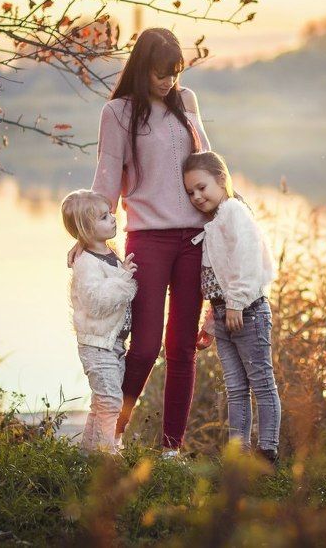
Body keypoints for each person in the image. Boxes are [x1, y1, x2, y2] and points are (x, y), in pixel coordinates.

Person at [69, 28, 212, 457]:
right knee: (146, 345)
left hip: (195, 238)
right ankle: (112, 438)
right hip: (147, 239)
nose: (169, 81)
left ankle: (171, 451)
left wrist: (228, 214)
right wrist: (86, 234)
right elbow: (107, 175)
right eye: (160, 73)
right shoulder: (117, 112)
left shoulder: (185, 103)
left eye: (175, 72)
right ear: (141, 68)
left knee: (181, 348)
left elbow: (206, 161)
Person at [182, 151, 280, 463]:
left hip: (248, 312)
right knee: (236, 389)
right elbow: (217, 278)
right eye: (190, 192)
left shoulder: (235, 211)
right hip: (225, 314)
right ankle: (239, 456)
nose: (197, 196)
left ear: (222, 180)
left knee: (262, 384)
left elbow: (248, 261)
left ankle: (268, 453)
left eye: (201, 187)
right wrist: (212, 320)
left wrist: (237, 303)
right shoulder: (213, 221)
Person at [62, 189, 138, 453]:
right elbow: (96, 302)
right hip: (97, 346)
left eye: (110, 214)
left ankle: (88, 455)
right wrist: (124, 279)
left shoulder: (109, 252)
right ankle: (107, 458)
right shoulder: (86, 264)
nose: (113, 219)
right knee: (110, 402)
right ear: (86, 229)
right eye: (104, 217)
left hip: (113, 344)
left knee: (101, 403)